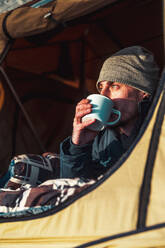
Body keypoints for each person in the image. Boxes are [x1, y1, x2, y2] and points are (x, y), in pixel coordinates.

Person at [60, 46, 159, 179]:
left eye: (114, 86)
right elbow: (76, 190)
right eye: (101, 87)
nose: (103, 95)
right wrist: (78, 147)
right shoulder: (99, 139)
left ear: (143, 93)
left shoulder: (160, 136)